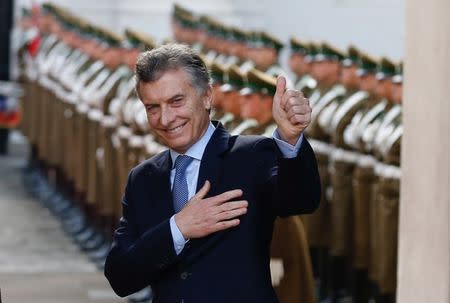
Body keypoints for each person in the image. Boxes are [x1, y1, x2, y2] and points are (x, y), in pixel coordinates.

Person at [104, 43, 321, 303]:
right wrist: (178, 228)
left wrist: (290, 139)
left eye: (176, 101)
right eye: (153, 107)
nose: (165, 118)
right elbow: (120, 276)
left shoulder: (250, 156)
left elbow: (300, 200)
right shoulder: (143, 178)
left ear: (207, 96)